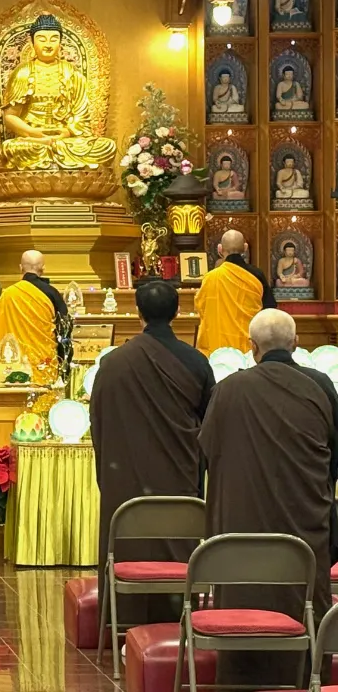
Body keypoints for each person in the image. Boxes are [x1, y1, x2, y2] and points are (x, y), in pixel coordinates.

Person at [200, 309, 338, 688]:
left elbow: (209, 452)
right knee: (305, 593)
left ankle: (243, 677)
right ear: (296, 344)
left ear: (251, 347)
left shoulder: (229, 389)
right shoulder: (320, 386)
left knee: (244, 598)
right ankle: (307, 679)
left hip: (241, 533)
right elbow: (333, 458)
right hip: (305, 526)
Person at [90, 280, 214, 626]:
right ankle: (179, 617)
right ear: (176, 313)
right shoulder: (196, 362)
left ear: (137, 312)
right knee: (178, 533)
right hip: (179, 479)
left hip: (125, 482)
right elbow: (210, 425)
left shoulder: (114, 364)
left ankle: (122, 620)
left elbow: (98, 422)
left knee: (129, 535)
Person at [0, 250, 67, 383]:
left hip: (12, 365)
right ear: (43, 268)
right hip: (44, 365)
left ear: (20, 268)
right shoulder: (52, 294)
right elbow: (64, 331)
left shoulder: (8, 295)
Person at [195, 229, 275, 355]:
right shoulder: (256, 275)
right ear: (245, 247)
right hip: (250, 348)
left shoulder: (212, 277)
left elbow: (200, 307)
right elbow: (270, 309)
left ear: (220, 249)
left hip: (218, 350)